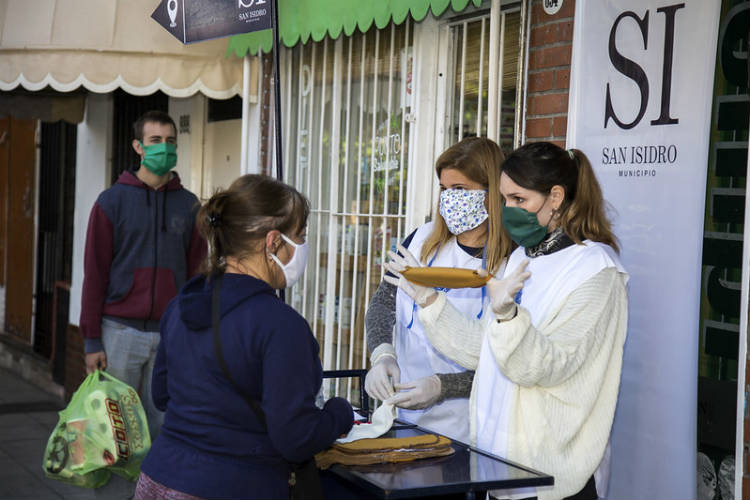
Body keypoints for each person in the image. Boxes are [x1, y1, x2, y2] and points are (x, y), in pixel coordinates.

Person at [392, 142, 628, 500]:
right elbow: (484, 351)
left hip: (552, 478)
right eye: (504, 199)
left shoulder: (596, 272)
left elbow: (547, 366)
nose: (508, 211)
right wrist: (429, 300)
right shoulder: (525, 257)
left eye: (519, 199)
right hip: (502, 468)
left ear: (556, 197)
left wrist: (508, 316)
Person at [135, 174, 354, 500]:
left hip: (158, 478)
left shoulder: (181, 304)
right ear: (274, 242)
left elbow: (162, 395)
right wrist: (340, 413)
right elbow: (295, 438)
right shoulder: (281, 325)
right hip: (231, 485)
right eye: (301, 236)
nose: (303, 247)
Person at [364, 137, 512, 443]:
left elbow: (506, 360)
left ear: (492, 192)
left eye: (460, 189)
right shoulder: (422, 240)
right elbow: (383, 304)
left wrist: (442, 387)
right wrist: (382, 354)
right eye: (444, 189)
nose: (449, 199)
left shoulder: (512, 263)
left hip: (467, 431)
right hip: (404, 418)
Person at [80, 110, 206, 438]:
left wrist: (193, 331)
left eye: (170, 141)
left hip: (171, 333)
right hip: (118, 331)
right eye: (155, 140)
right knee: (114, 430)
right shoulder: (111, 202)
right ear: (138, 146)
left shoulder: (190, 206)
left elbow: (198, 276)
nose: (164, 147)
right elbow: (94, 273)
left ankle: (152, 476)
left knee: (164, 427)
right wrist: (92, 340)